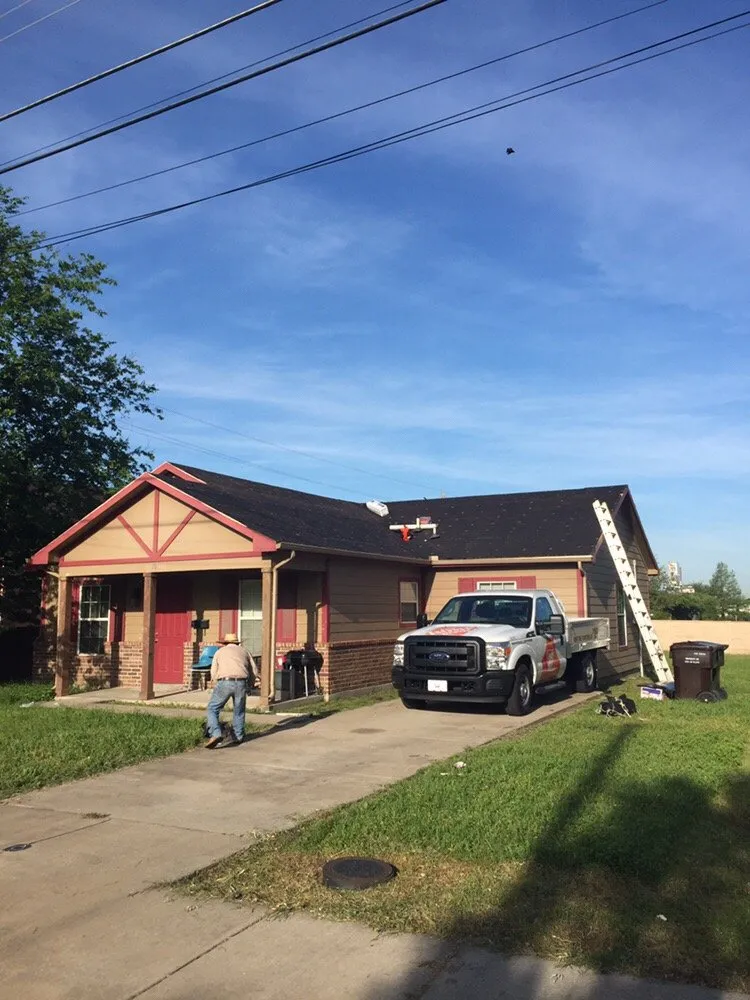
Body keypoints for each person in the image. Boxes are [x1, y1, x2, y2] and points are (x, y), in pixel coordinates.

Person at [204, 633, 257, 748]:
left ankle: (216, 733)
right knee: (239, 710)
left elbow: (213, 671)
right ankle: (238, 736)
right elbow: (254, 670)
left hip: (225, 681)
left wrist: (216, 682)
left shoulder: (219, 652)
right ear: (237, 643)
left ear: (225, 643)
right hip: (242, 682)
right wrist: (250, 685)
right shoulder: (244, 651)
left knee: (213, 708)